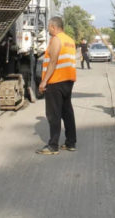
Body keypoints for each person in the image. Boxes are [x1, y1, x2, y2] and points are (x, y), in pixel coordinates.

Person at [36, 16, 77, 155]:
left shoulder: (56, 40)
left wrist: (44, 81)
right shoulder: (70, 41)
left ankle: (53, 146)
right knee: (67, 112)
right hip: (68, 80)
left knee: (53, 114)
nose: (48, 29)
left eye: (48, 26)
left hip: (56, 81)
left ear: (53, 27)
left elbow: (53, 61)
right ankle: (71, 143)